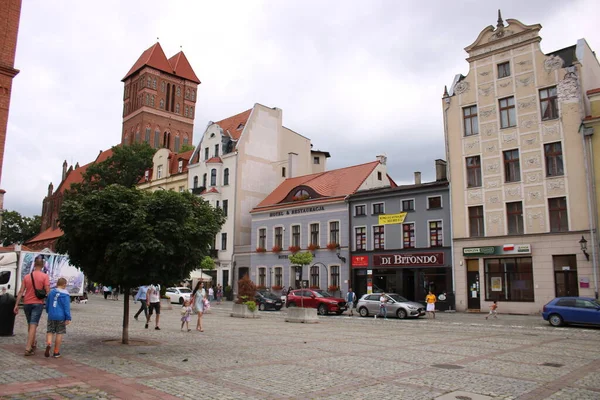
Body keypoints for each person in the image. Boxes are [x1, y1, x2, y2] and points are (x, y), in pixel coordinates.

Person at [14, 257, 50, 356]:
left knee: (30, 324)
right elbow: (48, 291)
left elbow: (21, 291)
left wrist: (16, 304)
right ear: (42, 265)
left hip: (26, 303)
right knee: (33, 324)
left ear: (34, 264)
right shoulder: (44, 276)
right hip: (37, 303)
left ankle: (33, 343)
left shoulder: (26, 277)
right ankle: (28, 347)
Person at [44, 277, 72, 358]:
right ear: (64, 285)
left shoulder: (51, 292)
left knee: (50, 331)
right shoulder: (65, 295)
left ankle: (49, 343)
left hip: (51, 315)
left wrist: (48, 311)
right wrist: (68, 318)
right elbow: (66, 307)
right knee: (59, 333)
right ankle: (56, 352)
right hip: (61, 316)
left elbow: (47, 303)